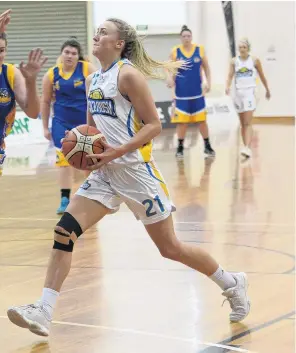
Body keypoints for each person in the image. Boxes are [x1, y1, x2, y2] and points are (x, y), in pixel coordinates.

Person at [7, 18, 250, 337]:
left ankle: (232, 283)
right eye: (96, 32)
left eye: (104, 33)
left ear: (119, 43)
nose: (96, 36)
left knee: (171, 248)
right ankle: (44, 309)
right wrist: (85, 150)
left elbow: (154, 125)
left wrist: (114, 151)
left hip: (137, 174)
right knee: (64, 232)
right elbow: (92, 130)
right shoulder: (94, 79)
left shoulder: (128, 75)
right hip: (106, 174)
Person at [41, 37, 97, 214]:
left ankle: (90, 195)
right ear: (61, 54)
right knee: (63, 161)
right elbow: (45, 101)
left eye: (74, 53)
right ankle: (65, 199)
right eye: (67, 52)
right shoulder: (51, 74)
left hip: (84, 121)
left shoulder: (87, 68)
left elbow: (98, 93)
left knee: (87, 160)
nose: (70, 56)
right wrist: (44, 126)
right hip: (61, 123)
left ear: (78, 56)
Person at [0, 11, 47, 176]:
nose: (0, 55)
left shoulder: (10, 73)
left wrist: (31, 81)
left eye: (2, 50)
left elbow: (33, 113)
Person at [167, 25, 215, 159]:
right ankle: (180, 147)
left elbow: (207, 68)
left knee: (202, 121)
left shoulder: (199, 50)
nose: (186, 38)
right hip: (181, 95)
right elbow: (168, 68)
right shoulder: (175, 51)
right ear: (180, 38)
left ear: (191, 37)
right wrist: (169, 78)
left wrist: (208, 83)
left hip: (197, 94)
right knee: (182, 123)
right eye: (184, 36)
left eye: (189, 36)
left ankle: (207, 146)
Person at [225, 38, 271, 158]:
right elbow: (230, 75)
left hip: (250, 92)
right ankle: (246, 147)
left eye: (244, 47)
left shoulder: (254, 60)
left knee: (247, 122)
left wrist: (267, 89)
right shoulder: (234, 61)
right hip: (238, 94)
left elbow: (262, 75)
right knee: (242, 123)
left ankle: (247, 147)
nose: (242, 50)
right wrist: (227, 86)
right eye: (240, 48)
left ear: (248, 48)